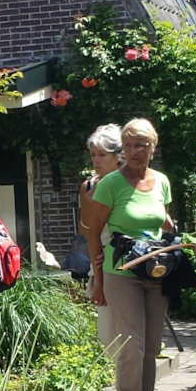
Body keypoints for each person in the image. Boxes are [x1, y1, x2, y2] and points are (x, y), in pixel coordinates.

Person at [81, 118, 175, 391]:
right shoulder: (110, 185)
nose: (134, 151)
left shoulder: (161, 182)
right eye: (129, 145)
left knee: (151, 348)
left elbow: (164, 219)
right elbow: (93, 232)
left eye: (141, 145)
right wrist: (98, 280)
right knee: (131, 348)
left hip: (156, 270)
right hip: (120, 272)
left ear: (152, 147)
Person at [78, 124, 123, 350]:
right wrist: (89, 207)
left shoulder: (129, 184)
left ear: (118, 156)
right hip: (100, 258)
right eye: (93, 155)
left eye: (102, 155)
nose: (96, 160)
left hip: (126, 260)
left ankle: (132, 371)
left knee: (128, 329)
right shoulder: (89, 185)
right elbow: (84, 230)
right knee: (106, 335)